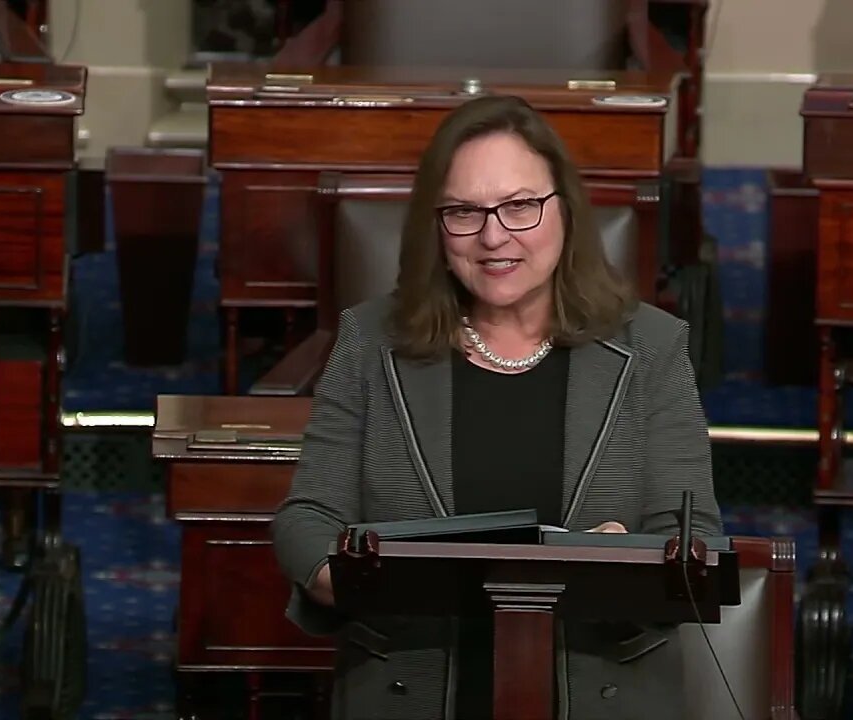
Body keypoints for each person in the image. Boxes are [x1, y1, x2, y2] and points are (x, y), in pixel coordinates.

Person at [271, 94, 722, 720]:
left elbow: (694, 536)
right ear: (436, 224)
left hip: (599, 691)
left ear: (565, 209)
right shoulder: (371, 341)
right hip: (410, 688)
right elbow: (306, 517)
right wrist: (338, 576)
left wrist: (626, 564)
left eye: (520, 206)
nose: (492, 236)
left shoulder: (651, 348)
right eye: (464, 211)